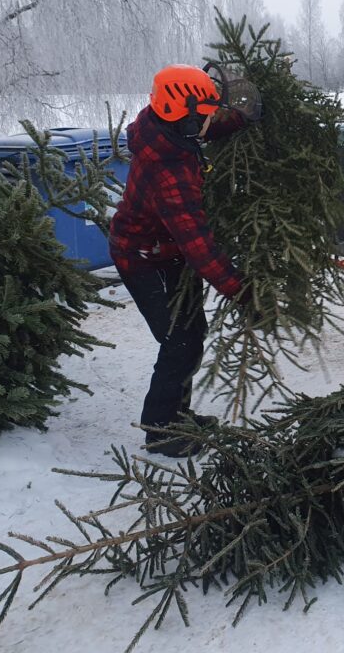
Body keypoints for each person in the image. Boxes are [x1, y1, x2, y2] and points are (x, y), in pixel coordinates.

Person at [109, 64, 254, 457]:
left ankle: (177, 416)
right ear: (183, 115)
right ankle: (161, 430)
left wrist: (238, 119)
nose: (209, 122)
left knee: (191, 331)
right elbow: (199, 246)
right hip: (142, 258)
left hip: (165, 250)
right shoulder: (167, 170)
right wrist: (242, 291)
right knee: (179, 340)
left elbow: (202, 131)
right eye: (205, 116)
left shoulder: (165, 130)